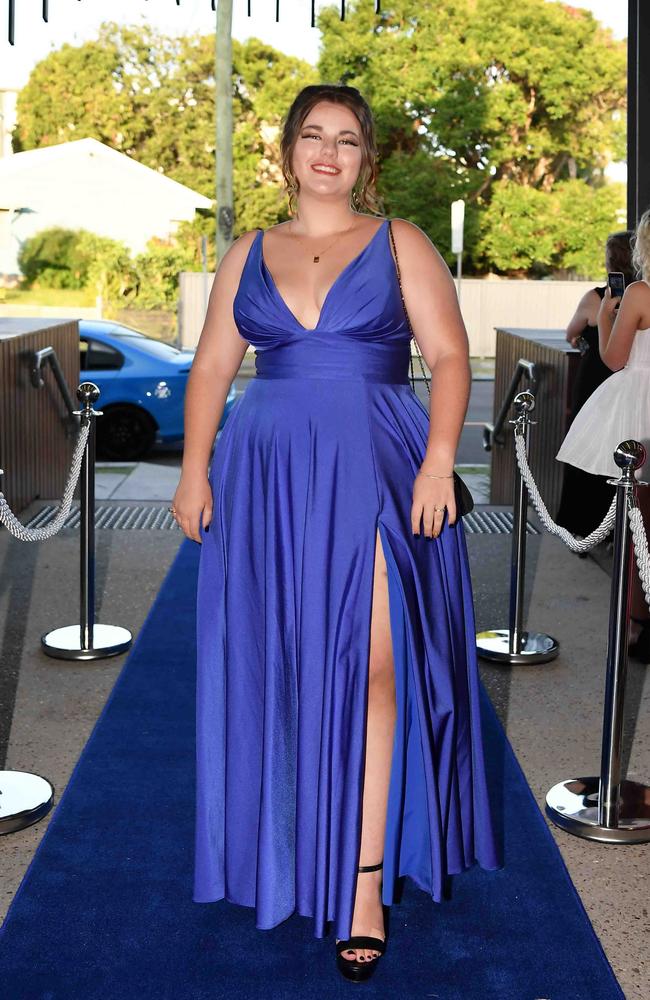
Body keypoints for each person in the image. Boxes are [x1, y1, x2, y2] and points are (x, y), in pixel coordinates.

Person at [171, 83, 499, 983]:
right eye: (312, 136)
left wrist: (440, 461)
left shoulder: (401, 243)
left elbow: (448, 355)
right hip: (269, 474)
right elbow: (212, 364)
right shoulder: (249, 251)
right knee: (286, 665)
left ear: (366, 158)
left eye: (346, 139)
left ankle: (361, 885)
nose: (328, 152)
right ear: (287, 152)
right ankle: (288, 844)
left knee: (377, 666)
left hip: (377, 467)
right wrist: (195, 466)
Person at [556, 208, 650, 660]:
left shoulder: (638, 292)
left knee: (638, 522)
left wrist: (610, 313)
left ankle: (637, 624)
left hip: (638, 405)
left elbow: (615, 359)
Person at [555, 231, 636, 537]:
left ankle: (582, 524)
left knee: (587, 446)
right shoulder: (642, 294)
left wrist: (586, 333)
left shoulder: (597, 297)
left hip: (596, 378)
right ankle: (619, 528)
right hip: (629, 378)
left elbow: (571, 332)